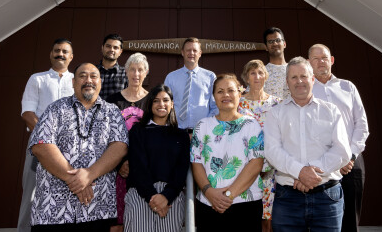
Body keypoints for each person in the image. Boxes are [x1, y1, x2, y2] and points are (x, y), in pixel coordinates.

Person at [28, 63, 128, 231]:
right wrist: (74, 179)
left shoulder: (113, 112)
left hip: (97, 209)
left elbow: (120, 147)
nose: (88, 80)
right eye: (82, 76)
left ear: (100, 82)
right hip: (52, 211)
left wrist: (89, 175)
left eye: (94, 76)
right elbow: (41, 145)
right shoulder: (55, 108)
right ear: (73, 82)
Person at [264, 57, 351, 232]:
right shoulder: (275, 113)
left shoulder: (331, 111)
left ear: (312, 79)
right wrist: (300, 172)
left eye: (303, 76)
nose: (299, 81)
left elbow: (342, 151)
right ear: (287, 82)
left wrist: (309, 174)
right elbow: (272, 151)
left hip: (327, 198)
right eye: (294, 77)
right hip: (288, 198)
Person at [191, 73, 264, 231]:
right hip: (208, 203)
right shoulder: (202, 126)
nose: (226, 95)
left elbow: (256, 163)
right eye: (220, 91)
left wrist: (228, 195)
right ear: (214, 97)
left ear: (239, 93)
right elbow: (196, 162)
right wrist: (209, 192)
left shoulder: (251, 125)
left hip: (245, 205)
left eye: (231, 90)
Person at [309, 44, 370, 232]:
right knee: (324, 220)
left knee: (351, 219)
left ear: (332, 60)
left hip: (352, 162)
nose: (321, 62)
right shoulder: (306, 91)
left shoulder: (347, 87)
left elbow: (362, 125)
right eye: (315, 58)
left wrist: (349, 157)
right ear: (309, 63)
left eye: (324, 58)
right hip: (321, 164)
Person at [18, 38, 75, 232]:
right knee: (31, 194)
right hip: (39, 146)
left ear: (71, 56)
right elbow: (27, 113)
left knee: (67, 194)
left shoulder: (77, 81)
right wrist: (47, 139)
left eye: (65, 51)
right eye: (57, 50)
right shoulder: (37, 79)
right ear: (51, 54)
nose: (60, 54)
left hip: (69, 148)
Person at [124, 84, 189, 232]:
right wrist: (152, 196)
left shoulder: (181, 136)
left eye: (165, 100)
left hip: (171, 197)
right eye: (156, 101)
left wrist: (166, 196)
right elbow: (138, 166)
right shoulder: (138, 131)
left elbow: (181, 169)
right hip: (140, 193)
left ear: (172, 104)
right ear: (150, 104)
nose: (161, 104)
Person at [106, 53, 151, 231]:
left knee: (139, 221)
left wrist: (133, 162)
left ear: (146, 73)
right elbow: (106, 135)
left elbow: (153, 136)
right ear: (126, 71)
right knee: (116, 222)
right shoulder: (112, 101)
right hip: (114, 169)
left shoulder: (152, 101)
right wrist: (119, 163)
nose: (136, 74)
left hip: (143, 169)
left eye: (140, 70)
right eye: (132, 69)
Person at [238, 60, 281, 232]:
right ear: (246, 77)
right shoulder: (239, 103)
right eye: (253, 73)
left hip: (271, 168)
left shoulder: (277, 103)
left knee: (269, 217)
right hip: (245, 168)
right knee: (249, 215)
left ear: (266, 76)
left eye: (261, 72)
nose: (257, 76)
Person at [164, 37, 218, 132]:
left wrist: (205, 126)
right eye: (188, 50)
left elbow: (215, 106)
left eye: (195, 50)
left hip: (203, 131)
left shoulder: (210, 77)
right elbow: (165, 104)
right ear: (182, 52)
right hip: (175, 131)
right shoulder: (171, 77)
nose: (191, 53)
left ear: (200, 53)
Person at [98, 34, 129, 100]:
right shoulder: (92, 72)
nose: (111, 49)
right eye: (108, 46)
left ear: (120, 52)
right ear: (102, 48)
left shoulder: (126, 73)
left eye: (115, 48)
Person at [262, 27, 289, 99]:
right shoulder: (261, 73)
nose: (275, 43)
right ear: (266, 47)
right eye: (270, 42)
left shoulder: (295, 69)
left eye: (278, 40)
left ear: (284, 44)